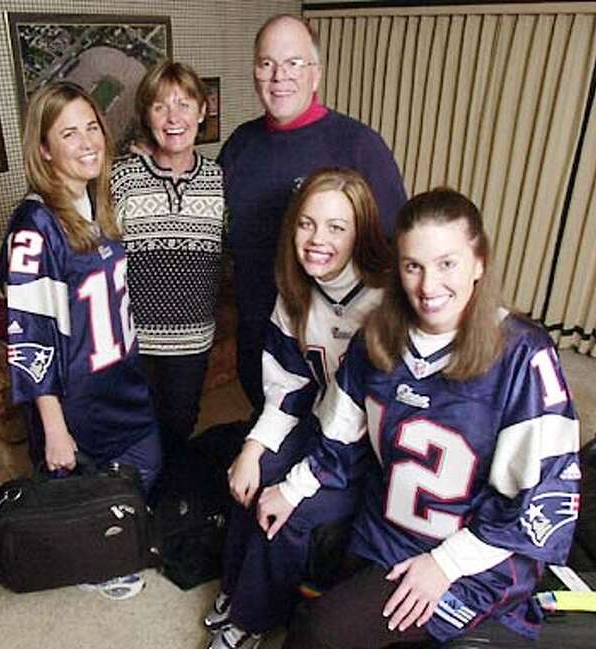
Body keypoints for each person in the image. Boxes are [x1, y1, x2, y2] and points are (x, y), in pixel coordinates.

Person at [278, 188, 581, 647]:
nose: (428, 286)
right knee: (317, 613)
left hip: (475, 557)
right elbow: (338, 438)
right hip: (385, 535)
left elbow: (543, 501)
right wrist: (290, 488)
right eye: (413, 266)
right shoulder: (375, 339)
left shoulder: (524, 355)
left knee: (318, 634)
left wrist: (446, 564)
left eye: (447, 264)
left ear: (479, 263)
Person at [204, 169, 392, 649]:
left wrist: (294, 488)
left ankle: (252, 617)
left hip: (370, 452)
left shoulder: (385, 303)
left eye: (336, 227)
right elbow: (287, 389)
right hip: (322, 424)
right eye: (307, 224)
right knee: (251, 474)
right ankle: (234, 588)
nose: (316, 240)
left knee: (294, 512)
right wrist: (252, 449)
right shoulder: (296, 293)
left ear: (361, 233)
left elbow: (355, 425)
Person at [0, 82, 161, 600]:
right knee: (81, 499)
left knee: (147, 469)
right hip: (78, 398)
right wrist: (54, 428)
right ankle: (94, 560)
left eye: (92, 127)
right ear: (44, 148)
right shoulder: (34, 225)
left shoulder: (97, 201)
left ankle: (112, 538)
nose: (88, 141)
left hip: (121, 380)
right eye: (69, 133)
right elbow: (30, 335)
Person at [219, 13, 408, 413]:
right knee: (270, 425)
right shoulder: (240, 144)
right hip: (259, 334)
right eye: (267, 63)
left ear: (316, 73)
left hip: (336, 343)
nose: (279, 76)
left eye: (293, 63)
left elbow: (395, 251)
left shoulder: (359, 146)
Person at [111, 61, 224, 493]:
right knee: (132, 432)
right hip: (132, 341)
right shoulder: (121, 178)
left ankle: (167, 507)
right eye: (160, 106)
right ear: (147, 115)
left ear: (202, 111)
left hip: (191, 341)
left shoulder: (220, 179)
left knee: (179, 427)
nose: (173, 117)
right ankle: (131, 507)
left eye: (184, 104)